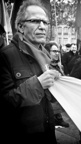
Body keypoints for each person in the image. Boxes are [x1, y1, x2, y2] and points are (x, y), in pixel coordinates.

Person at [0, 0, 59, 143]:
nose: (42, 27)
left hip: (47, 132)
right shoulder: (5, 56)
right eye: (35, 21)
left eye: (45, 22)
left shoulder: (45, 56)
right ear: (20, 26)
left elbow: (49, 99)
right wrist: (38, 84)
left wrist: (57, 86)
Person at [45, 41, 69, 128]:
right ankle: (57, 119)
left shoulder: (58, 65)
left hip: (57, 97)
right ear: (47, 52)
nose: (57, 53)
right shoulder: (45, 66)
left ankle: (58, 118)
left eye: (58, 51)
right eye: (54, 51)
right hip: (49, 99)